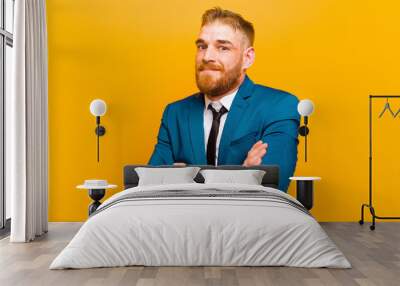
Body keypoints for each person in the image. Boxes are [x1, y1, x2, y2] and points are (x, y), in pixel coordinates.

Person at [148, 7, 300, 192]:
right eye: (202, 46)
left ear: (247, 58)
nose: (207, 56)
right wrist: (244, 173)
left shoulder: (280, 106)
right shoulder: (175, 113)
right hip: (185, 221)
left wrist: (185, 181)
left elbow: (271, 188)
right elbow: (150, 189)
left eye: (223, 48)